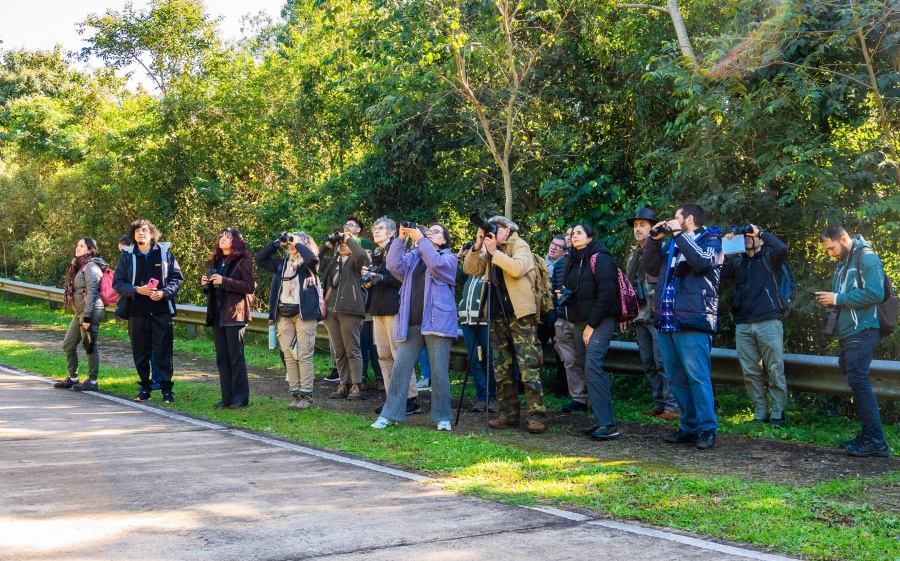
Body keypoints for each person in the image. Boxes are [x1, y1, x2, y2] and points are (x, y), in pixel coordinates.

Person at [643, 204, 723, 449]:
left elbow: (700, 263)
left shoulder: (712, 242)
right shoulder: (673, 244)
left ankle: (707, 428)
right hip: (667, 321)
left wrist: (678, 234)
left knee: (698, 378)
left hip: (693, 320)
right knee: (676, 380)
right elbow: (651, 267)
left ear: (689, 219)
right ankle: (689, 427)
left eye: (676, 218)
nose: (671, 222)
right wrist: (655, 240)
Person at [463, 216, 548, 434]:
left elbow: (518, 268)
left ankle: (536, 416)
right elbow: (470, 269)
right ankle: (509, 415)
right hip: (496, 315)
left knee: (528, 367)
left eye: (496, 228)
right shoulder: (490, 249)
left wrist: (494, 253)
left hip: (520, 315)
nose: (492, 232)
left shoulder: (520, 245)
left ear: (508, 230)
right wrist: (478, 246)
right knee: (501, 368)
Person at [371, 223, 457, 430]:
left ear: (444, 239)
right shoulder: (414, 257)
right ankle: (390, 414)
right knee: (400, 367)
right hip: (411, 321)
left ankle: (442, 417)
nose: (430, 233)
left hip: (438, 322)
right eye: (429, 231)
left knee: (438, 372)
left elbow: (435, 266)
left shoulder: (449, 258)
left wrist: (420, 240)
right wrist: (401, 239)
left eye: (436, 232)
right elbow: (393, 265)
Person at [815, 224, 890, 457]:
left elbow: (875, 293)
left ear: (844, 239)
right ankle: (868, 435)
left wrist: (836, 298)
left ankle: (876, 440)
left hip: (862, 329)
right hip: (849, 332)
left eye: (832, 248)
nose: (830, 254)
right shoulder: (844, 262)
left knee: (859, 381)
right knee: (856, 381)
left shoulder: (867, 258)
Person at [721, 224, 789, 427]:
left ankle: (778, 414)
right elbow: (714, 268)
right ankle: (760, 414)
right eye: (745, 236)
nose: (748, 238)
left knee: (775, 368)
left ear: (760, 239)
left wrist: (759, 232)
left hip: (768, 320)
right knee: (750, 372)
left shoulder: (770, 258)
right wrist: (726, 244)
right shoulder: (738, 264)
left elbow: (782, 248)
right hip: (743, 323)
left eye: (751, 235)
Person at [557, 223, 620, 440]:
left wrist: (591, 325)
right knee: (587, 369)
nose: (574, 236)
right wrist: (564, 295)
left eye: (579, 233)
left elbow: (607, 293)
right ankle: (601, 420)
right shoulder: (573, 260)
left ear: (590, 237)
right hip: (579, 321)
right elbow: (579, 291)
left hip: (598, 322)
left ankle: (608, 425)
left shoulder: (600, 258)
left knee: (593, 368)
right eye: (572, 233)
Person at [112, 219, 184, 403]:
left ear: (152, 234)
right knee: (140, 351)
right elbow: (118, 283)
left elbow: (177, 279)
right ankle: (145, 388)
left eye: (144, 230)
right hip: (137, 312)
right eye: (136, 231)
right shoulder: (127, 255)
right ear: (133, 235)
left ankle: (167, 391)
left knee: (163, 351)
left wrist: (164, 292)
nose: (140, 233)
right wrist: (137, 290)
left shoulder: (164, 253)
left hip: (161, 311)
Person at [623, 208, 679, 421]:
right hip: (639, 316)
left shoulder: (663, 250)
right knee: (648, 362)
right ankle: (659, 403)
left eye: (642, 225)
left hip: (658, 315)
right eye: (636, 226)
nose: (637, 229)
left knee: (663, 361)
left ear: (653, 227)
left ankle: (673, 406)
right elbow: (628, 286)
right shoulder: (634, 254)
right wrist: (627, 314)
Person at [256, 231, 322, 410]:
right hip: (284, 313)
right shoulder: (282, 264)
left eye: (295, 242)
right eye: (290, 242)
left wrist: (299, 244)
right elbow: (260, 259)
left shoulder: (308, 265)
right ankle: (295, 394)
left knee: (304, 355)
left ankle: (307, 397)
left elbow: (313, 261)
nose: (291, 245)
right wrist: (277, 243)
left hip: (304, 314)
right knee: (289, 354)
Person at [202, 228, 256, 409]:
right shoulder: (216, 261)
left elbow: (249, 286)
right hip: (217, 314)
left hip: (234, 314)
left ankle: (240, 398)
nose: (223, 239)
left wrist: (224, 281)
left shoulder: (244, 261)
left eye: (228, 237)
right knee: (222, 358)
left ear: (236, 241)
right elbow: (213, 289)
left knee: (236, 357)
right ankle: (226, 397)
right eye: (221, 236)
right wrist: (206, 285)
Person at [320, 230, 368, 400]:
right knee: (339, 351)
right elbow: (314, 259)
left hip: (349, 310)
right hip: (330, 310)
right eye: (341, 244)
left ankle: (356, 385)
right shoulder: (333, 262)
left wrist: (348, 237)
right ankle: (344, 383)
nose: (343, 245)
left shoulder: (356, 262)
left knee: (352, 349)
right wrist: (330, 243)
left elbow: (361, 253)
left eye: (346, 243)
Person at [54, 238, 107, 392]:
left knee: (89, 344)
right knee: (68, 344)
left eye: (82, 246)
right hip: (80, 312)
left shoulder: (91, 267)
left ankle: (92, 380)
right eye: (77, 245)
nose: (78, 248)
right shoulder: (79, 266)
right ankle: (73, 377)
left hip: (91, 311)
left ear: (90, 250)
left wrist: (88, 317)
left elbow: (92, 293)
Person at [118, 235, 163, 391]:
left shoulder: (154, 257)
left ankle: (158, 379)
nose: (123, 255)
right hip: (136, 309)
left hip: (155, 308)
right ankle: (149, 379)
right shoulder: (126, 261)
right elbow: (119, 283)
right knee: (143, 347)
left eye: (124, 250)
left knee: (154, 346)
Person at [457, 244, 497, 412]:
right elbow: (452, 275)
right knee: (474, 360)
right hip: (467, 322)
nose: (479, 251)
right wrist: (459, 256)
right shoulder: (469, 274)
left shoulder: (492, 269)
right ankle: (481, 397)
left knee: (489, 359)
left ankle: (493, 397)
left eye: (482, 249)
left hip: (485, 322)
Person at [553, 226, 585, 408]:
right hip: (562, 320)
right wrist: (554, 317)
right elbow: (553, 293)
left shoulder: (589, 261)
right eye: (568, 234)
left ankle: (594, 397)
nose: (571, 237)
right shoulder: (558, 265)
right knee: (570, 361)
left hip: (582, 320)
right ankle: (578, 399)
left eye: (575, 233)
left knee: (585, 360)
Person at [540, 234, 569, 400]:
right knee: (534, 350)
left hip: (557, 315)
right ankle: (526, 386)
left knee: (562, 354)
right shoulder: (540, 263)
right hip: (541, 315)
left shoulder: (567, 266)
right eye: (553, 244)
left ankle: (562, 389)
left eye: (558, 246)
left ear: (564, 252)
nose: (553, 247)